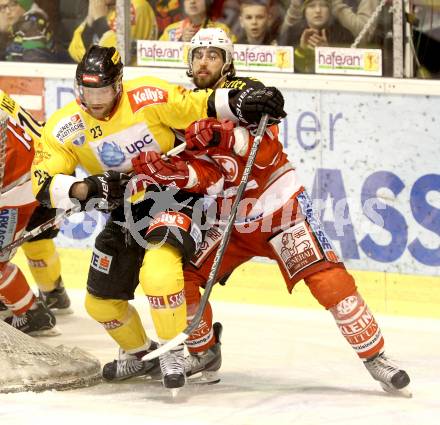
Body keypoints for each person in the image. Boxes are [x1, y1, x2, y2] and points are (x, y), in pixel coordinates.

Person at [133, 27, 411, 396]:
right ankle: (203, 352)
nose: (203, 62)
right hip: (229, 221)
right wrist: (172, 172)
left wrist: (225, 136)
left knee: (330, 282)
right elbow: (210, 176)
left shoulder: (247, 95)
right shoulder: (183, 107)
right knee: (180, 279)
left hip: (280, 213)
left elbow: (264, 152)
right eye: (198, 55)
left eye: (212, 55)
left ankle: (376, 357)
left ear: (227, 62)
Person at [30, 44, 286, 391]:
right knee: (100, 302)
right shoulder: (65, 127)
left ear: (118, 85)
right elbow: (42, 181)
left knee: (159, 272)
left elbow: (199, 105)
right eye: (87, 91)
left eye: (103, 90)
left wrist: (241, 102)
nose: (96, 99)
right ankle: (139, 352)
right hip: (123, 212)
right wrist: (86, 189)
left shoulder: (148, 95)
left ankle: (172, 349)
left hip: (173, 195)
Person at [0, 91, 74, 335]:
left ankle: (32, 314)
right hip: (47, 160)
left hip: (25, 183)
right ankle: (53, 292)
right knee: (36, 237)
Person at [68, 0, 157, 63]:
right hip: (100, 78)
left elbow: (117, 57)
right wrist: (89, 22)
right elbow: (76, 53)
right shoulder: (101, 8)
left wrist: (100, 20)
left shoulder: (136, 6)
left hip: (128, 79)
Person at [279, 0, 353, 73]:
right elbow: (284, 70)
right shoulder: (291, 34)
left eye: (323, 5)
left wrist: (327, 53)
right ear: (304, 11)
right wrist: (302, 50)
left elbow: (348, 70)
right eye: (311, 6)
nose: (318, 10)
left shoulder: (343, 35)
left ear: (330, 10)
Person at [160, 0, 236, 42]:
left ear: (207, 2)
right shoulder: (170, 31)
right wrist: (181, 41)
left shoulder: (222, 30)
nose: (192, 1)